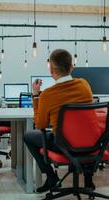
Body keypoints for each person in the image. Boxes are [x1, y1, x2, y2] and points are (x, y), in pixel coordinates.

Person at [23, 49, 94, 193]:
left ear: (51, 70)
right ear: (71, 67)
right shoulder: (84, 85)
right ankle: (88, 179)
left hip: (63, 144)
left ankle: (51, 177)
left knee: (28, 135)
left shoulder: (47, 94)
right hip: (89, 142)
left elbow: (40, 124)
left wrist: (36, 96)